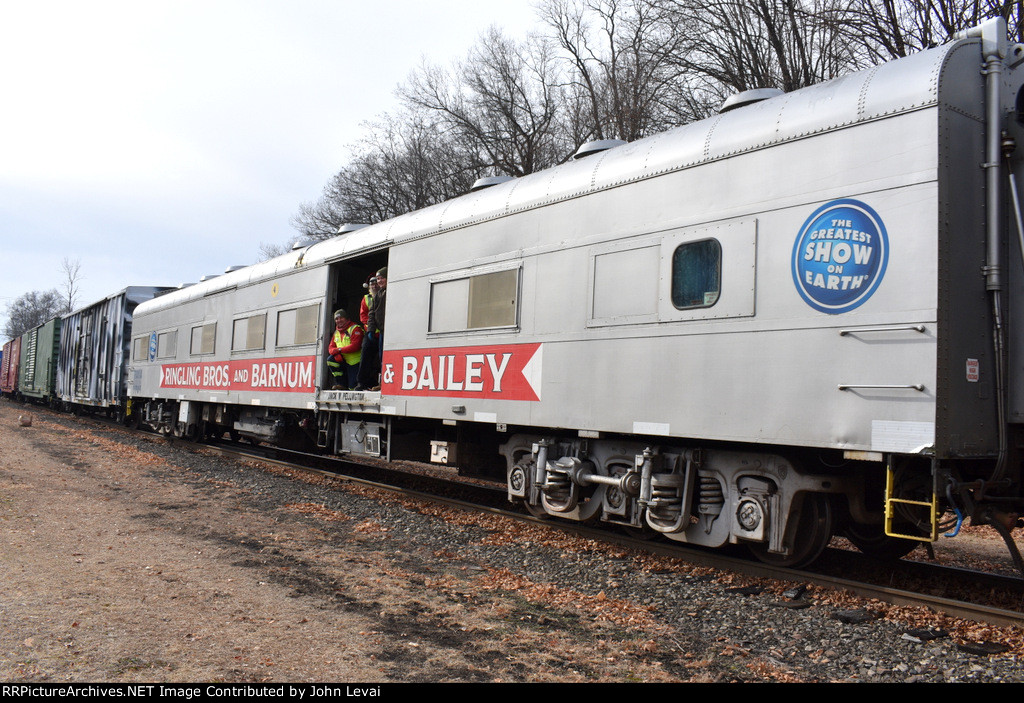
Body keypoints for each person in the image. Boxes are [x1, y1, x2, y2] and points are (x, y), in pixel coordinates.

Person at [356, 267, 387, 391]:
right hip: (372, 331)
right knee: (365, 354)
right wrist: (370, 330)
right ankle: (361, 383)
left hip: (383, 332)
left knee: (382, 357)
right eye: (372, 283)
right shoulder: (367, 298)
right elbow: (366, 315)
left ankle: (382, 381)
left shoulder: (384, 293)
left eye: (377, 281)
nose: (375, 284)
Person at [326, 309, 363, 390]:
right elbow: (330, 348)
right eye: (336, 319)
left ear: (346, 318)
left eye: (341, 318)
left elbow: (355, 346)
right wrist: (336, 353)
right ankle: (341, 384)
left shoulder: (355, 328)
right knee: (330, 359)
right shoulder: (336, 332)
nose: (339, 320)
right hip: (343, 361)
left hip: (355, 363)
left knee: (352, 389)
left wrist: (339, 350)